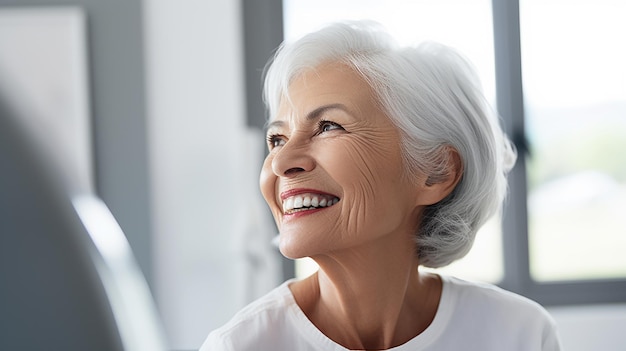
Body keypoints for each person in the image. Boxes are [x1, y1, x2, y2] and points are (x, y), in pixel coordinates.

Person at [200, 21, 561, 351]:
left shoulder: (521, 334)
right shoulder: (239, 346)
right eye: (277, 138)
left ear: (436, 172)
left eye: (328, 126)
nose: (280, 162)